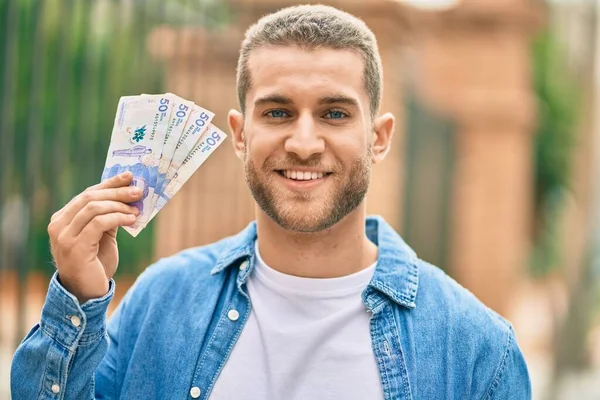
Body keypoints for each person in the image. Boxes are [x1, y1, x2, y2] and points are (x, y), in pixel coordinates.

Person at [11, 5, 531, 399]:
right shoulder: (159, 305)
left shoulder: (477, 349)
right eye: (278, 113)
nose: (304, 142)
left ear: (379, 137)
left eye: (334, 114)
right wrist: (76, 300)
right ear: (240, 133)